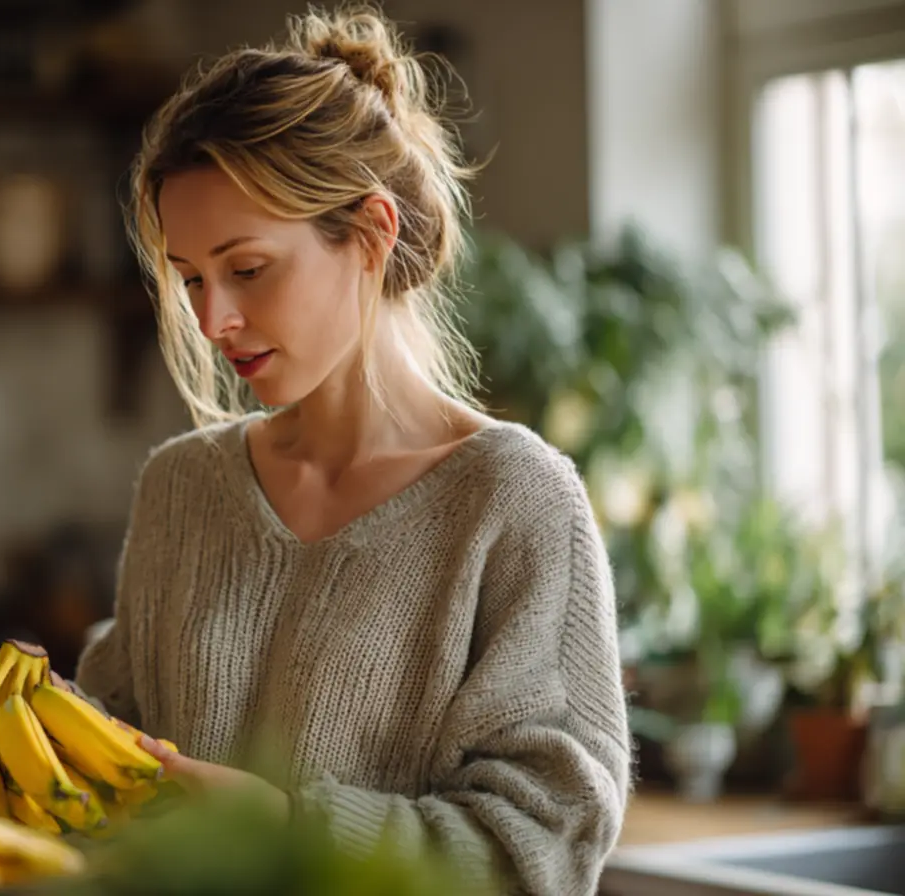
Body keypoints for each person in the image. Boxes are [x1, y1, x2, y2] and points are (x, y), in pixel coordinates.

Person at [61, 5, 632, 894]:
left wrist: (286, 827)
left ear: (370, 234)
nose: (214, 321)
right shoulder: (180, 488)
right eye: (191, 280)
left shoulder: (514, 503)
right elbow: (112, 773)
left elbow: (544, 850)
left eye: (247, 269)